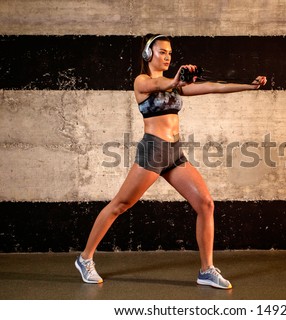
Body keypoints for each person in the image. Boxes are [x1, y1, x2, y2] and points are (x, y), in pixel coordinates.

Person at [75, 34, 267, 290]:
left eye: (169, 53)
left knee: (206, 204)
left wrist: (249, 86)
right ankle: (85, 258)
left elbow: (213, 87)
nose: (167, 57)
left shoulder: (175, 86)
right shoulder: (142, 81)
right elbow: (160, 84)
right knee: (120, 205)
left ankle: (206, 270)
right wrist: (177, 78)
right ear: (147, 55)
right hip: (153, 150)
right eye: (162, 52)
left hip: (174, 153)